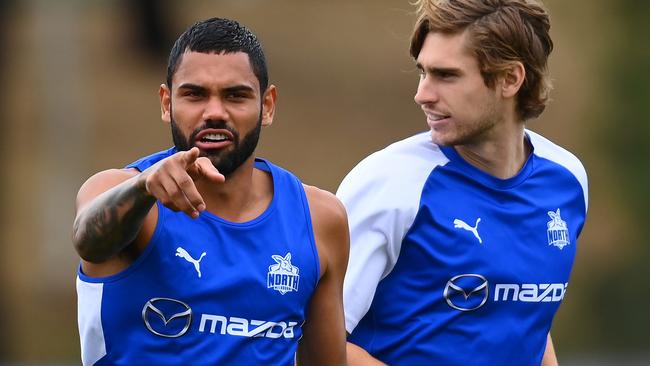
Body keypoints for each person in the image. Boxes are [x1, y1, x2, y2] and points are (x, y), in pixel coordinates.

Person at [72, 17, 349, 366]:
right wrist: (142, 191)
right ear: (166, 102)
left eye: (235, 95)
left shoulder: (319, 219)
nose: (215, 113)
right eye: (194, 94)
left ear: (267, 105)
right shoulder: (122, 192)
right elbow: (88, 240)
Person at [337, 0, 588, 365]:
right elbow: (311, 342)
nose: (422, 93)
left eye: (446, 75)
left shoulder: (567, 181)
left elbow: (527, 324)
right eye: (423, 72)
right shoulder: (387, 183)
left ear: (510, 79)